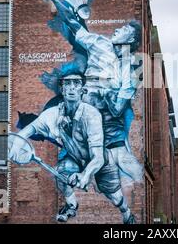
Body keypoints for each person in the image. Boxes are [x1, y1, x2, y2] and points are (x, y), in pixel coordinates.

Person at [43, 0, 143, 182]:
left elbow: (117, 107)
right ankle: (73, 186)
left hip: (106, 112)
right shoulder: (99, 42)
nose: (117, 29)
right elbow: (72, 22)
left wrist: (108, 96)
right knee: (73, 151)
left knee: (121, 156)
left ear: (130, 39)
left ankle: (135, 180)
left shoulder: (129, 67)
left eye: (123, 30)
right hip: (87, 102)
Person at [15, 71, 136, 223]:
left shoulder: (92, 115)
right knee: (61, 173)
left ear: (82, 89)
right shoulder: (52, 114)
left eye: (76, 83)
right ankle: (71, 205)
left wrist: (85, 175)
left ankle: (127, 213)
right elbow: (29, 129)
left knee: (116, 197)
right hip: (75, 158)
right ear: (62, 89)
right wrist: (15, 145)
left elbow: (97, 157)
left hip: (101, 160)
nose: (72, 87)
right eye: (67, 83)